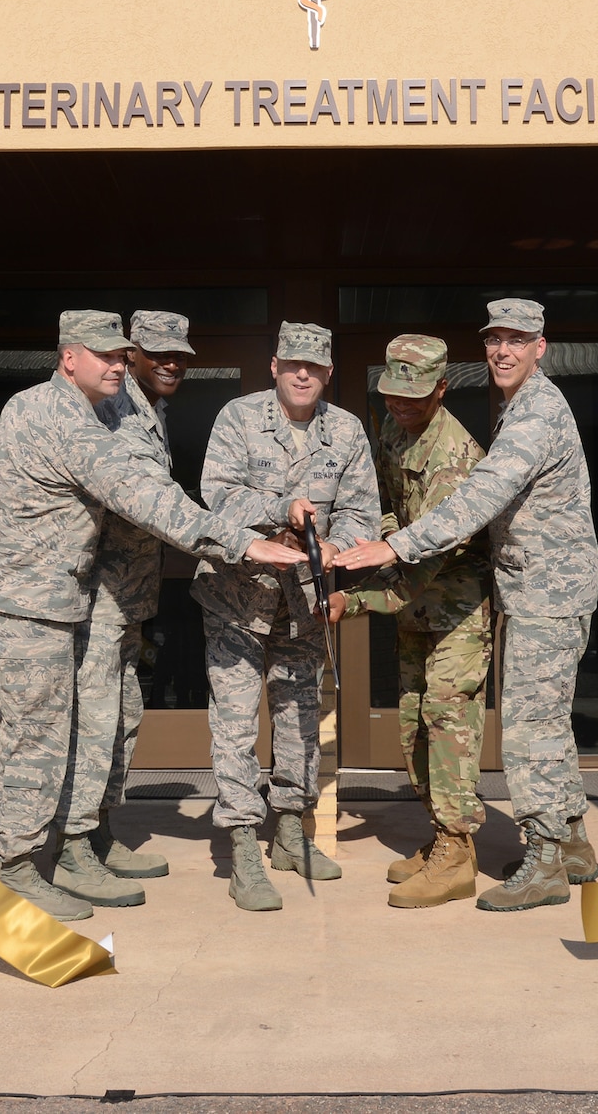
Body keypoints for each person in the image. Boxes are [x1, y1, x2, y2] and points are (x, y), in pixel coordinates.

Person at [0, 310, 304, 922]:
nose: (119, 365)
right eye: (106, 356)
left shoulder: (27, 404)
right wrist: (243, 542)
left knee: (17, 722)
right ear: (70, 357)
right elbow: (145, 497)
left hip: (32, 589)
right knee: (38, 732)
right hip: (34, 597)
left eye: (122, 355)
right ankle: (14, 865)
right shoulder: (70, 423)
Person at [336, 299, 598, 913]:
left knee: (530, 728)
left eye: (517, 340)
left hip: (548, 592)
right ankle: (574, 846)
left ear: (542, 347)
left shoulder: (537, 413)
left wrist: (395, 544)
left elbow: (481, 497)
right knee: (549, 722)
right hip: (538, 588)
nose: (503, 350)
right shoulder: (519, 405)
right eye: (494, 339)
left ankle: (544, 863)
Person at [194, 321, 381, 912]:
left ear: (329, 373)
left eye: (316, 366)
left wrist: (336, 549)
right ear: (274, 366)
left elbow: (361, 512)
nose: (304, 374)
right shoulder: (238, 417)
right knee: (236, 723)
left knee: (301, 718)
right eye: (293, 364)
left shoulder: (347, 430)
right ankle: (244, 844)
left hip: (303, 603)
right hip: (236, 601)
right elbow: (217, 495)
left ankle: (292, 832)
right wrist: (281, 509)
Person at [331, 334, 496, 909]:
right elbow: (387, 502)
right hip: (414, 609)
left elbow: (425, 560)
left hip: (453, 610)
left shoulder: (454, 460)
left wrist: (351, 602)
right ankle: (440, 837)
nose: (400, 406)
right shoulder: (393, 427)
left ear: (442, 389)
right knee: (413, 721)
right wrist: (376, 534)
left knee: (448, 720)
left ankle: (457, 851)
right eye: (392, 395)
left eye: (414, 397)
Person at [50, 310, 193, 908]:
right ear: (130, 355)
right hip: (99, 595)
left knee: (123, 712)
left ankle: (102, 829)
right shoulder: (108, 409)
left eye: (179, 356)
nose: (168, 364)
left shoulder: (146, 410)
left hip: (130, 596)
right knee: (96, 714)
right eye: (154, 353)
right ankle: (72, 844)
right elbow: (145, 500)